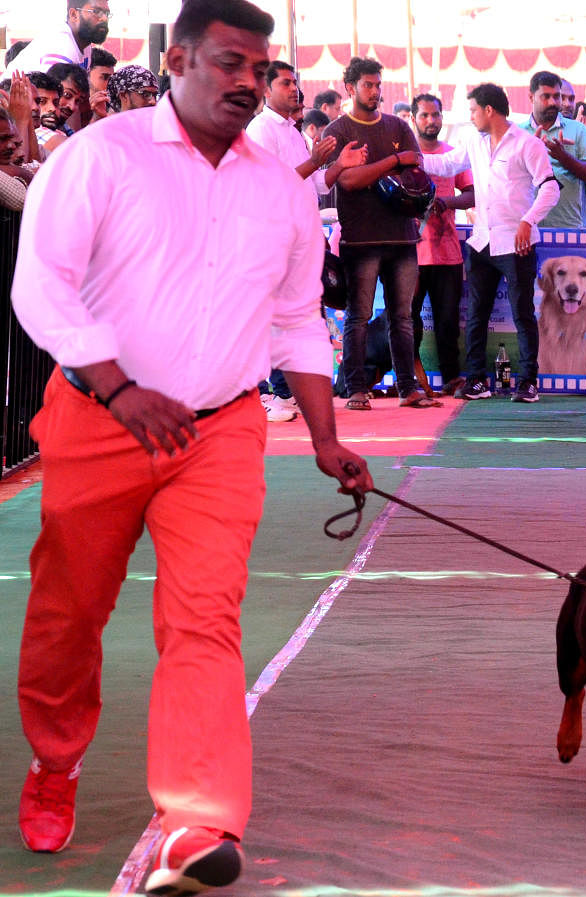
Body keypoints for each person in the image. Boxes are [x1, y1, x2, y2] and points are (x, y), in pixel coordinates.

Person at [10, 2, 373, 893]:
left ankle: (196, 818)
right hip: (97, 420)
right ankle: (55, 764)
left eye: (262, 68)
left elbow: (295, 317)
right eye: (230, 63)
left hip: (220, 430)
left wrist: (326, 435)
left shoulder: (281, 181)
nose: (249, 82)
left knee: (203, 619)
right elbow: (40, 287)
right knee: (69, 614)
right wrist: (121, 390)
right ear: (177, 59)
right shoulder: (102, 155)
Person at [418, 82, 560, 403]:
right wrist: (410, 158)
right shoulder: (474, 142)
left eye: (472, 110)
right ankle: (477, 381)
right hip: (481, 241)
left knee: (523, 312)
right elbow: (446, 165)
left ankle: (528, 382)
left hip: (516, 243)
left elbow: (550, 188)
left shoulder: (527, 144)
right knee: (477, 314)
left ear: (489, 110)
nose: (470, 117)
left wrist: (528, 220)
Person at [246, 59, 367, 421]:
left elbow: (316, 185)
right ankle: (280, 394)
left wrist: (339, 164)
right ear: (266, 91)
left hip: (303, 237)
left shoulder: (292, 131)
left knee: (305, 318)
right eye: (285, 83)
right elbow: (268, 187)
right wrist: (315, 161)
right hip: (275, 238)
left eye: (295, 83)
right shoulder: (261, 131)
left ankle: (293, 392)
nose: (294, 89)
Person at [323, 56, 426, 410]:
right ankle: (355, 389)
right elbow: (348, 180)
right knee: (359, 316)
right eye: (368, 85)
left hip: (402, 238)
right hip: (361, 240)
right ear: (350, 88)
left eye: (378, 85)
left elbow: (418, 171)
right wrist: (393, 163)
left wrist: (385, 169)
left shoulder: (398, 126)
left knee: (403, 318)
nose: (375, 91)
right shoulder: (336, 131)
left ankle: (408, 389)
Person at [411, 92, 475, 397]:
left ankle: (451, 378)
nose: (430, 121)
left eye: (435, 115)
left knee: (448, 322)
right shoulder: (402, 158)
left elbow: (473, 194)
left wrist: (446, 202)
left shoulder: (453, 154)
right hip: (409, 254)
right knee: (406, 322)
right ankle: (406, 380)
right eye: (424, 115)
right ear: (413, 119)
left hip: (447, 252)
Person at [519, 70, 586, 228]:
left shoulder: (578, 130)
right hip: (526, 229)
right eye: (546, 96)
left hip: (567, 230)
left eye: (556, 96)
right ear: (531, 97)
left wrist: (563, 157)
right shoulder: (518, 133)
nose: (553, 102)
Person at [4, 0, 109, 75]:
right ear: (74, 15)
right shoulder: (61, 46)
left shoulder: (85, 46)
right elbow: (58, 101)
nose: (104, 18)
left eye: (106, 13)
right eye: (96, 12)